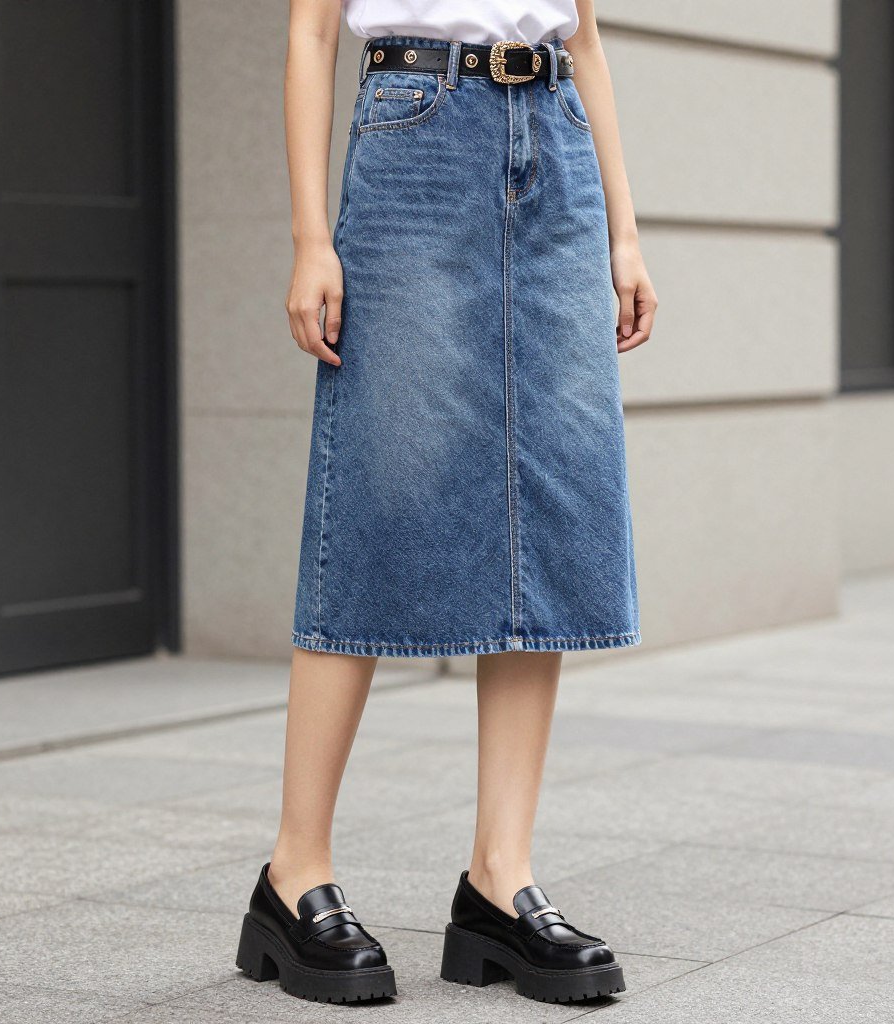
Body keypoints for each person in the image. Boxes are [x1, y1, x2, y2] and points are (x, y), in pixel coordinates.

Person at [235, 0, 657, 1005]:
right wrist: (307, 235)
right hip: (413, 141)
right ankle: (293, 872)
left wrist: (626, 233)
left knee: (539, 515)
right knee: (383, 490)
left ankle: (498, 880)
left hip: (554, 147)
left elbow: (585, 36)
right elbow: (306, 33)